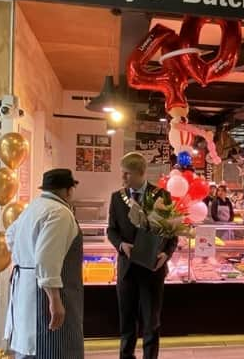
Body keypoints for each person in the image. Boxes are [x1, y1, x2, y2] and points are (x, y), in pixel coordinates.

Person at [4, 168, 83, 359]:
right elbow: (47, 258)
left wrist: (26, 259)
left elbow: (10, 237)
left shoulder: (33, 207)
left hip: (24, 286)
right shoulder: (59, 213)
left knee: (28, 350)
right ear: (67, 190)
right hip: (45, 293)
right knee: (54, 348)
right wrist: (55, 300)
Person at [107, 152, 178, 359]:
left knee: (151, 324)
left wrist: (166, 253)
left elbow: (172, 234)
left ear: (140, 173)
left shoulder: (162, 196)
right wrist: (121, 245)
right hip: (127, 269)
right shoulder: (117, 198)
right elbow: (111, 230)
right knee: (126, 324)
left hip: (152, 270)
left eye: (127, 174)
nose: (123, 178)